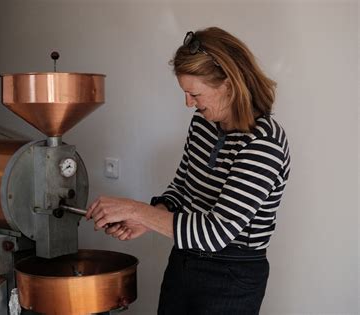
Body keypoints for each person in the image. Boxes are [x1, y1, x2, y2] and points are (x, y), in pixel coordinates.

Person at [85, 26, 291, 315]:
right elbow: (182, 187)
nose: (188, 103)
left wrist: (135, 211)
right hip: (183, 263)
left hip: (231, 278)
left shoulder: (262, 144)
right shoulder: (202, 124)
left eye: (194, 94)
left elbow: (216, 233)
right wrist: (150, 216)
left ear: (229, 85)